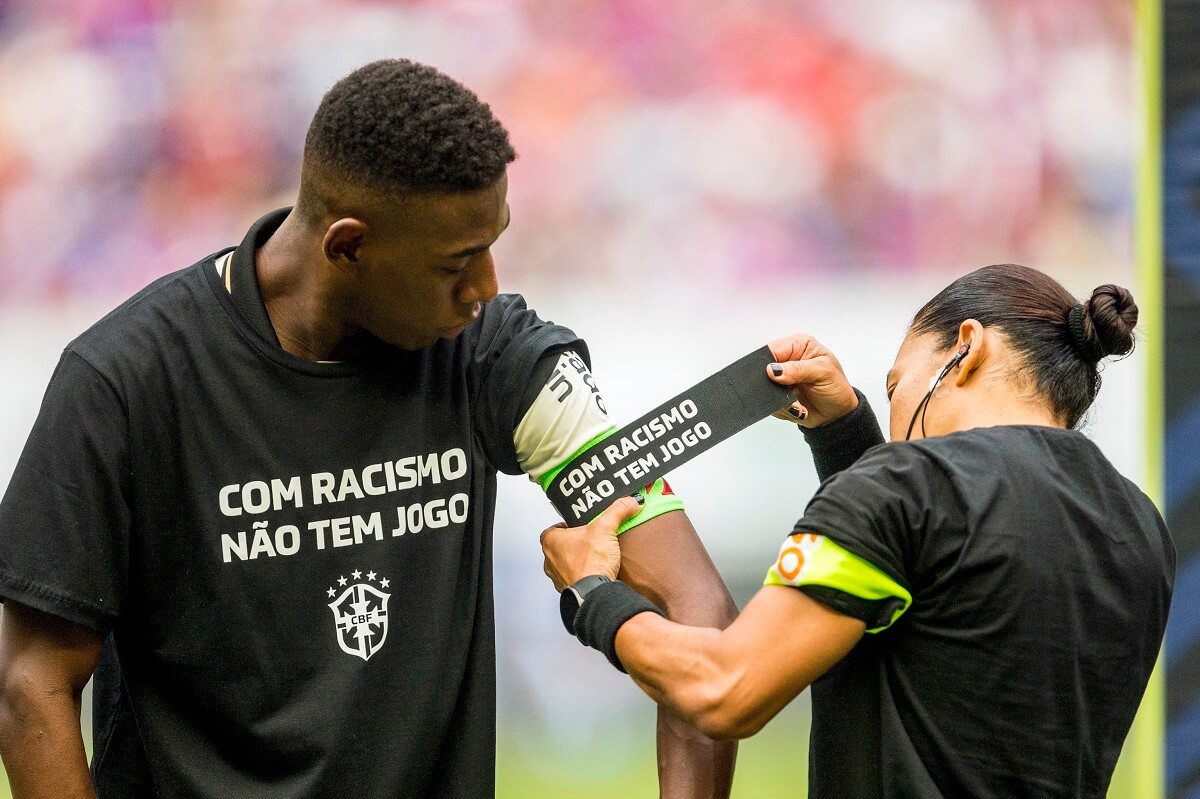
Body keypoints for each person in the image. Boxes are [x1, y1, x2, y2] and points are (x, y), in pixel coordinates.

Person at [0, 59, 744, 798]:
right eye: (456, 263)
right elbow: (29, 682)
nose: (486, 287)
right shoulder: (126, 381)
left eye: (493, 243)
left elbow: (695, 606)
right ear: (349, 246)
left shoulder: (494, 355)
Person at [542, 264, 1176, 799]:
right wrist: (845, 434)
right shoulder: (1138, 525)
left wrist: (593, 595)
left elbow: (723, 688)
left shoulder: (912, 486)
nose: (898, 420)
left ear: (967, 345)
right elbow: (942, 614)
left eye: (896, 384)